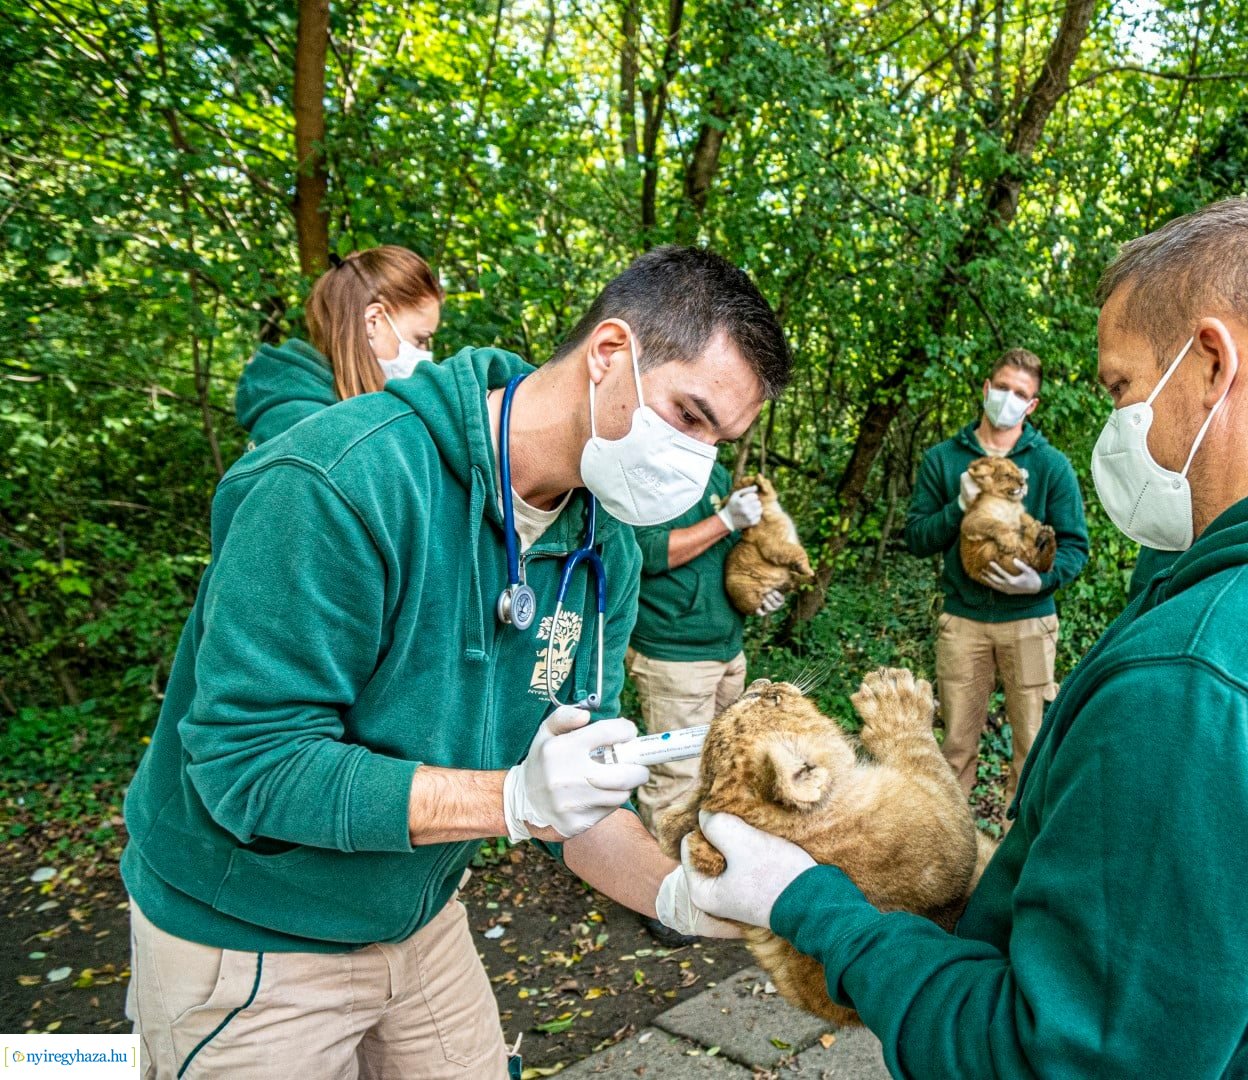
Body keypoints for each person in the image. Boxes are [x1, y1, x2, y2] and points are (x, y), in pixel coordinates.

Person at [665, 198, 1248, 1079]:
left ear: (1211, 363)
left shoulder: (1203, 680)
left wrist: (811, 906)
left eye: (1122, 385)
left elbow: (1052, 1057)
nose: (1116, 420)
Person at [121, 246, 786, 1078]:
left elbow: (574, 792)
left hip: (418, 913)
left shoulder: (602, 544)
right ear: (610, 353)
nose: (697, 464)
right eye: (690, 417)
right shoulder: (339, 481)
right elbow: (248, 762)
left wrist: (676, 894)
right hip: (252, 937)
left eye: (720, 439)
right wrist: (510, 797)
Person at [903, 348, 1088, 802]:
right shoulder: (945, 460)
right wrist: (959, 507)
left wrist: (1040, 582)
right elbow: (917, 538)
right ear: (986, 389)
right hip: (963, 621)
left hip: (1028, 622)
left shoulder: (1050, 465)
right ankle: (950, 855)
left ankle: (1018, 861)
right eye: (1002, 387)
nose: (1008, 398)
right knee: (955, 748)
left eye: (1020, 393)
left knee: (1032, 748)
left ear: (1033, 405)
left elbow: (1075, 546)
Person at [625, 462, 783, 944]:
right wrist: (724, 522)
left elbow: (728, 557)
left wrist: (754, 591)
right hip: (674, 653)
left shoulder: (713, 473)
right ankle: (662, 895)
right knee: (674, 775)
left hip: (726, 648)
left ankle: (710, 873)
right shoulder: (646, 471)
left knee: (721, 768)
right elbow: (646, 553)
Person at [235, 245, 444, 446]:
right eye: (420, 340)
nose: (425, 355)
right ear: (373, 320)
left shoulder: (343, 408)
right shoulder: (305, 425)